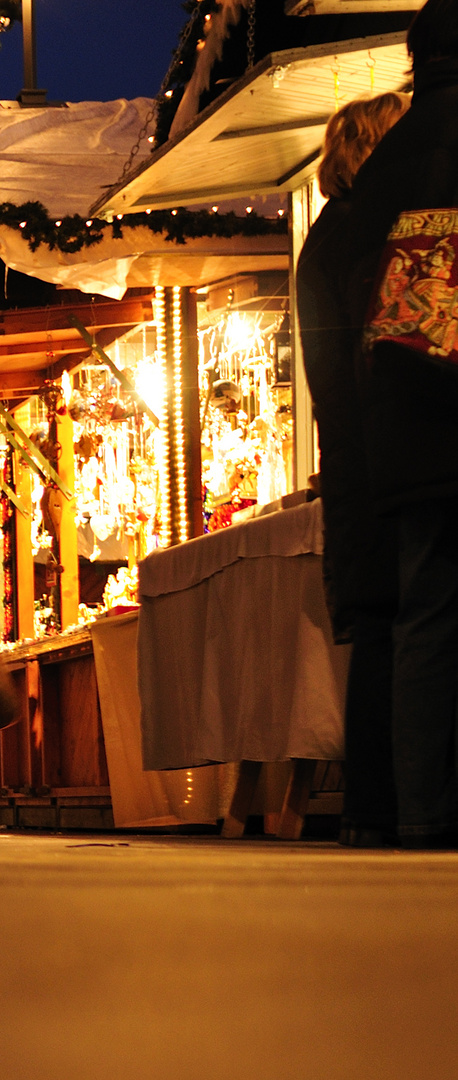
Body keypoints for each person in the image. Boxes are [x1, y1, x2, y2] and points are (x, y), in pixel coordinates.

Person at [336, 0, 458, 848]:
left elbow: (351, 309)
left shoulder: (385, 168)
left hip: (408, 428)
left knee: (428, 613)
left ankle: (423, 811)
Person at [298, 91, 411, 847]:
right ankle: (386, 804)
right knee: (395, 632)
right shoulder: (367, 235)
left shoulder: (322, 241)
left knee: (380, 633)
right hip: (383, 456)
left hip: (349, 457)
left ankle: (373, 806)